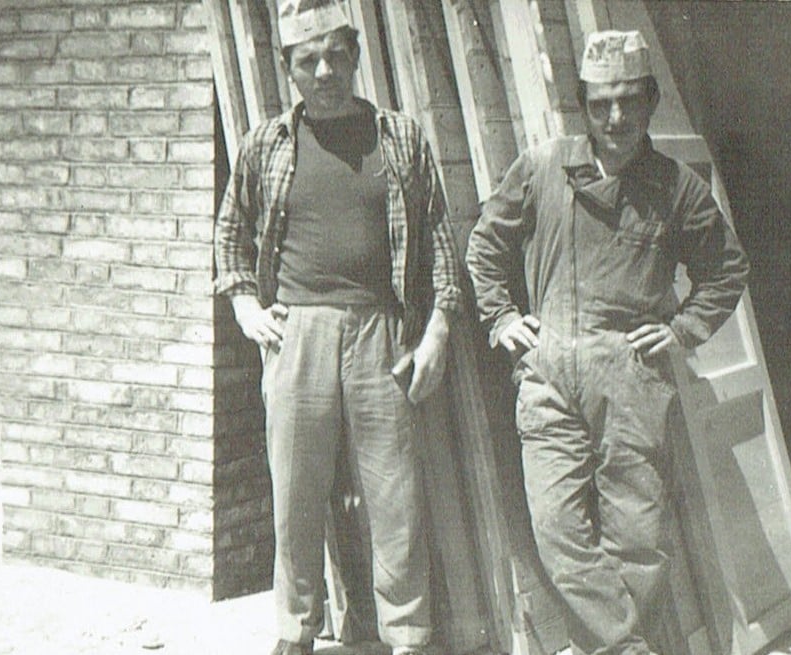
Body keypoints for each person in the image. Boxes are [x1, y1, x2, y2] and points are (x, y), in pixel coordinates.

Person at [465, 30, 749, 655]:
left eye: (628, 100)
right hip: (548, 376)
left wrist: (680, 330)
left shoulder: (677, 188)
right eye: (600, 104)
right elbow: (485, 245)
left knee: (636, 539)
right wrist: (501, 317)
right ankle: (627, 647)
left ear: (650, 100)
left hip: (631, 378)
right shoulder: (543, 167)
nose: (615, 117)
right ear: (584, 105)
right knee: (556, 530)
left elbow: (727, 270)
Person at [213, 1, 463, 653]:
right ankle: (295, 630)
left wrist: (437, 331)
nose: (324, 72)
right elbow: (230, 234)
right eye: (308, 61)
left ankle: (408, 635)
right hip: (298, 332)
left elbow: (440, 244)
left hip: (382, 331)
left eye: (335, 56)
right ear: (288, 68)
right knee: (296, 494)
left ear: (354, 56)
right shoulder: (265, 146)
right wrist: (244, 306)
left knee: (395, 495)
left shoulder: (399, 138)